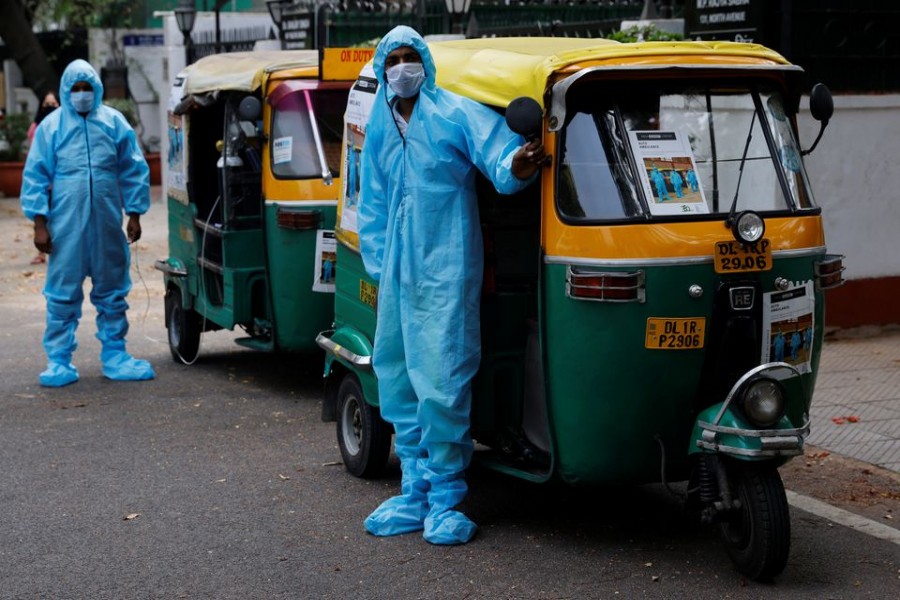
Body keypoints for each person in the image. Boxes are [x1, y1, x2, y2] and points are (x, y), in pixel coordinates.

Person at [357, 26, 546, 545]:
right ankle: (413, 491)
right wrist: (378, 262)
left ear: (424, 61)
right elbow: (370, 198)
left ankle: (445, 497)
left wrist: (519, 164)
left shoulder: (453, 112)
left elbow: (500, 155)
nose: (401, 67)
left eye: (408, 57)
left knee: (442, 380)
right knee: (395, 375)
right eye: (391, 59)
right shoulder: (380, 125)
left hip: (445, 266)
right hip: (397, 271)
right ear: (381, 69)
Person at [20, 59, 155, 387]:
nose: (81, 94)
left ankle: (115, 354)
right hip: (65, 224)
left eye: (87, 88)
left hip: (108, 221)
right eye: (75, 89)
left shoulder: (113, 122)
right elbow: (36, 175)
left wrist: (134, 213)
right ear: (66, 90)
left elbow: (133, 168)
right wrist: (40, 224)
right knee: (62, 292)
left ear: (97, 89)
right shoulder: (51, 127)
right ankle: (59, 361)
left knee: (112, 290)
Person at [26, 90, 60, 265]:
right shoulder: (36, 128)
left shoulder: (64, 128)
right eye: (47, 104)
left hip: (60, 184)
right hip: (43, 183)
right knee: (41, 218)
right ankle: (41, 251)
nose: (50, 108)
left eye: (53, 104)